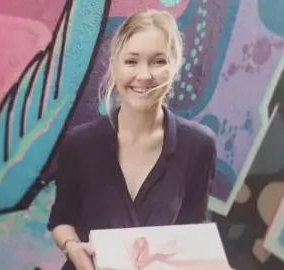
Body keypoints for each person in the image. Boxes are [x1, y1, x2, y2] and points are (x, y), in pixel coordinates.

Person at [47, 9, 217, 270]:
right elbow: (61, 220)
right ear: (115, 65)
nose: (144, 75)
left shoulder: (199, 146)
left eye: (158, 61)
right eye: (131, 61)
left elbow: (193, 231)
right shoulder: (79, 144)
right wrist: (73, 247)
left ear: (174, 66)